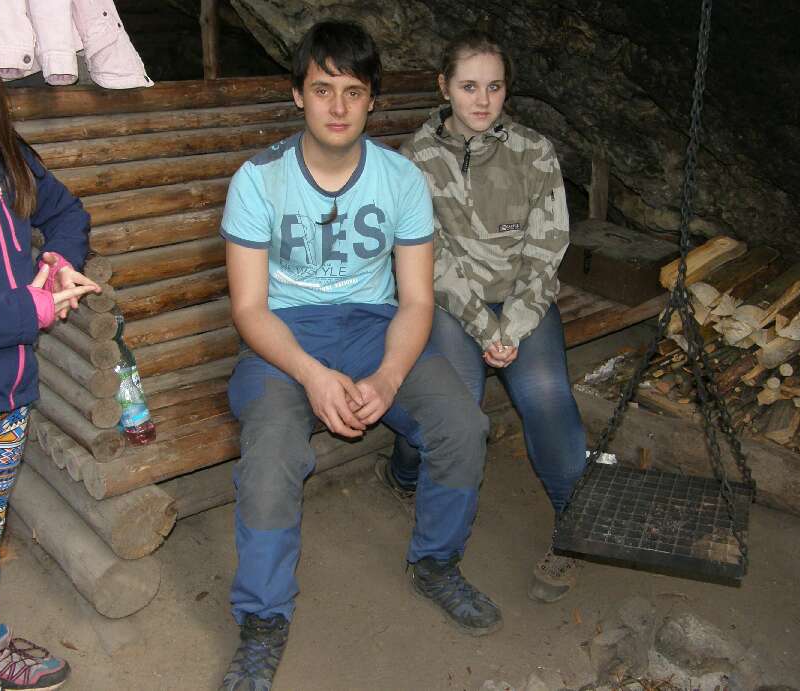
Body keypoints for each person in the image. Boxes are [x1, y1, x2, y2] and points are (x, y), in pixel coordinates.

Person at [218, 20, 499, 691]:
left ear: (373, 98)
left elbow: (417, 301)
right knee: (272, 454)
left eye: (353, 91)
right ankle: (263, 621)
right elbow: (250, 309)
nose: (338, 107)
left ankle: (435, 562)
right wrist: (313, 375)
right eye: (323, 90)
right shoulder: (258, 181)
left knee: (463, 425)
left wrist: (389, 376)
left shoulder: (400, 180)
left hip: (375, 327)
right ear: (298, 96)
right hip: (284, 337)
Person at [376, 31, 588, 604]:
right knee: (457, 403)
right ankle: (404, 469)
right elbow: (428, 259)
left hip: (520, 301)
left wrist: (512, 325)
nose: (482, 100)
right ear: (444, 87)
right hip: (448, 302)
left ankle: (576, 526)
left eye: (494, 87)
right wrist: (486, 328)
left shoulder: (533, 152)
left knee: (547, 395)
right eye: (469, 86)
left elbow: (548, 246)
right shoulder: (413, 160)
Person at [0, 25, 100, 691]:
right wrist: (33, 310)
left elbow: (65, 211)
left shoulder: (2, 152)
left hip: (7, 399)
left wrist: (59, 260)